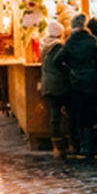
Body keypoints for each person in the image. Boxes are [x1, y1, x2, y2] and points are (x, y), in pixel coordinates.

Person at [55, 14, 97, 163]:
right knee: (91, 114)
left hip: (76, 82)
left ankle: (82, 146)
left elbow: (57, 60)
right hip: (91, 82)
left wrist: (69, 70)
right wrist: (94, 70)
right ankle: (91, 148)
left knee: (79, 114)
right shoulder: (92, 42)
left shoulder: (70, 43)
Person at [40, 19, 72, 158]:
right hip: (60, 84)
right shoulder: (58, 47)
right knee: (69, 112)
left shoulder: (44, 46)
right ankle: (70, 143)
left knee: (54, 115)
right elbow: (60, 63)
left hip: (47, 83)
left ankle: (56, 145)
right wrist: (68, 70)